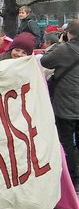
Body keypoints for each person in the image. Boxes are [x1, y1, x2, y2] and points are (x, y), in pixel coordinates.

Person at [41, 19, 79, 187]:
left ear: (68, 33)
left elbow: (45, 61)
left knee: (66, 143)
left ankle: (73, 180)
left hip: (66, 105)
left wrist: (61, 43)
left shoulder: (64, 49)